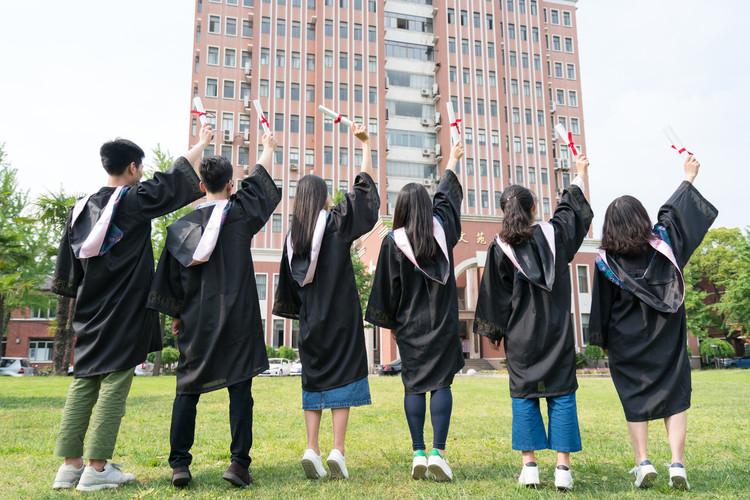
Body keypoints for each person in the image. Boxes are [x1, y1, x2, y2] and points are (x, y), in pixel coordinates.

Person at [51, 123, 214, 491]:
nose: (141, 175)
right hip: (123, 309)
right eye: (140, 169)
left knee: (84, 380)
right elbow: (174, 180)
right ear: (132, 169)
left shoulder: (81, 209)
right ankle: (95, 468)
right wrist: (201, 143)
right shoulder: (132, 201)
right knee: (115, 380)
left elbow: (68, 273)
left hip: (89, 312)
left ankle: (69, 466)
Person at [147, 134, 282, 488]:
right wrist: (268, 147)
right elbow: (260, 181)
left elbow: (172, 281)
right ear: (230, 184)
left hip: (197, 320)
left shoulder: (180, 229)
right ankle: (238, 464)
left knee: (186, 391)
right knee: (240, 391)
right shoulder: (239, 215)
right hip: (237, 318)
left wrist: (177, 317)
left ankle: (180, 464)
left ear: (201, 185)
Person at [589, 155, 716, 490]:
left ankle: (643, 461)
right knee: (674, 396)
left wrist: (602, 341)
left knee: (635, 399)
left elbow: (601, 307)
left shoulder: (605, 262)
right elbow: (675, 213)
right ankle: (677, 464)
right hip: (667, 337)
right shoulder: (664, 244)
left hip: (626, 340)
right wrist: (688, 177)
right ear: (642, 219)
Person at [473, 155, 593, 491]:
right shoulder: (554, 234)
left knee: (524, 396)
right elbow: (571, 209)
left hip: (521, 335)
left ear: (504, 211)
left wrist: (494, 332)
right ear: (534, 207)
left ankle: (529, 468)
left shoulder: (500, 248)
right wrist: (580, 173)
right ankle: (563, 470)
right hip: (556, 331)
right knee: (562, 394)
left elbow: (494, 295)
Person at [272, 123, 379, 480]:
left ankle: (311, 448)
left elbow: (288, 288)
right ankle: (338, 449)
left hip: (311, 322)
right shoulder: (334, 224)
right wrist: (364, 145)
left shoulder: (291, 238)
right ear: (321, 199)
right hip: (342, 318)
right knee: (344, 378)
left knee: (314, 381)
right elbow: (363, 197)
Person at [365, 141, 465, 482]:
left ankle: (419, 453)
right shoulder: (444, 233)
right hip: (443, 326)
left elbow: (386, 292)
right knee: (441, 385)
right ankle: (439, 452)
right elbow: (446, 199)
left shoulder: (394, 243)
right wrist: (452, 158)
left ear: (401, 210)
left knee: (413, 387)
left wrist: (393, 326)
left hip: (410, 328)